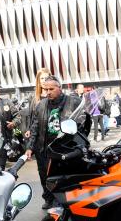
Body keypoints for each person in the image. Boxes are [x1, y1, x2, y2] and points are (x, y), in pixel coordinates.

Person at [26, 75, 85, 210]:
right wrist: (30, 147)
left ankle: (66, 200)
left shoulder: (73, 102)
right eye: (45, 89)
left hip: (64, 148)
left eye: (51, 89)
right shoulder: (41, 105)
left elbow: (82, 124)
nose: (48, 92)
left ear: (60, 88)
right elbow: (34, 127)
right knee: (44, 176)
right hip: (44, 149)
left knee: (64, 176)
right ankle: (48, 198)